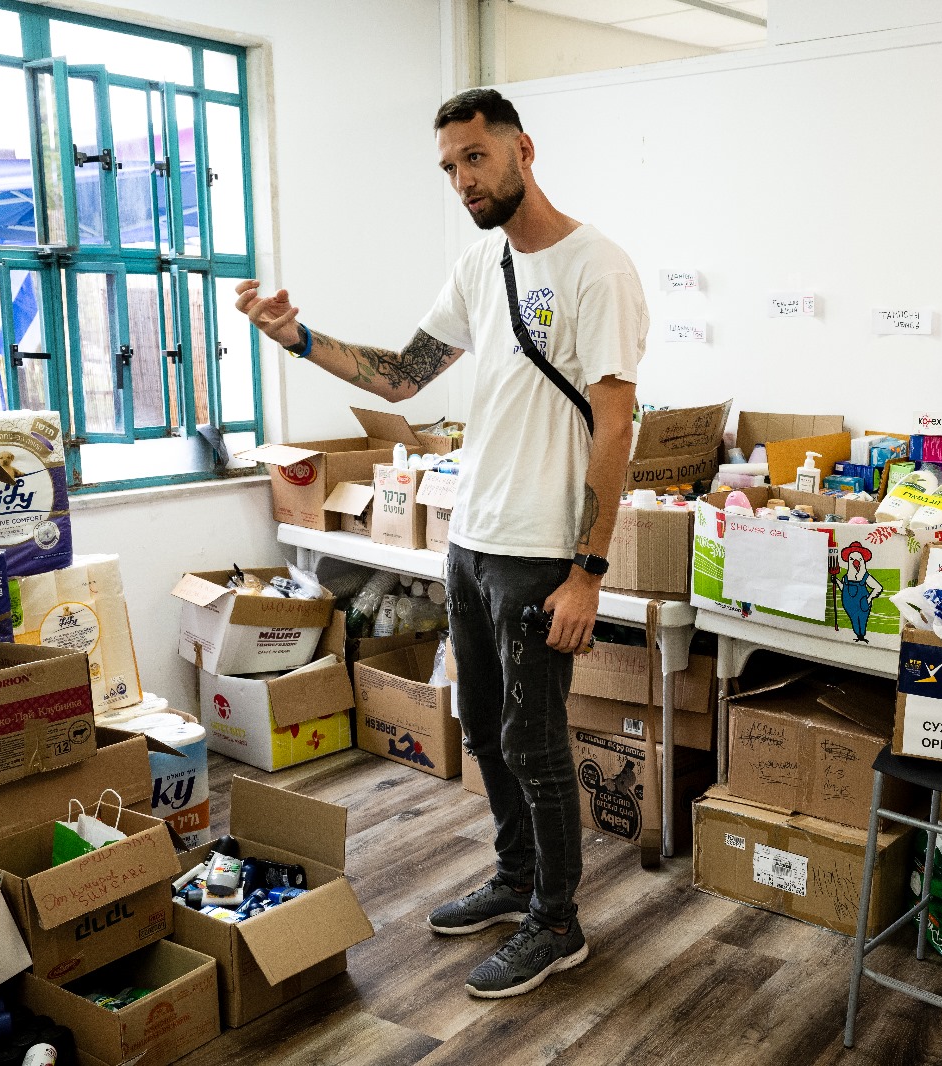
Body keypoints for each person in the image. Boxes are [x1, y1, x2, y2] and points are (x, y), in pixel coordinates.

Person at [234, 88, 647, 999]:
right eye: (450, 167)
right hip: (472, 540)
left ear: (522, 150)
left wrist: (589, 570)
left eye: (476, 158)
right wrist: (295, 336)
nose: (463, 180)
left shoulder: (597, 269)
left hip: (544, 554)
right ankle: (514, 880)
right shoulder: (479, 266)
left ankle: (557, 921)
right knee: (486, 730)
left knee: (536, 743)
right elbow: (403, 374)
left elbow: (617, 430)